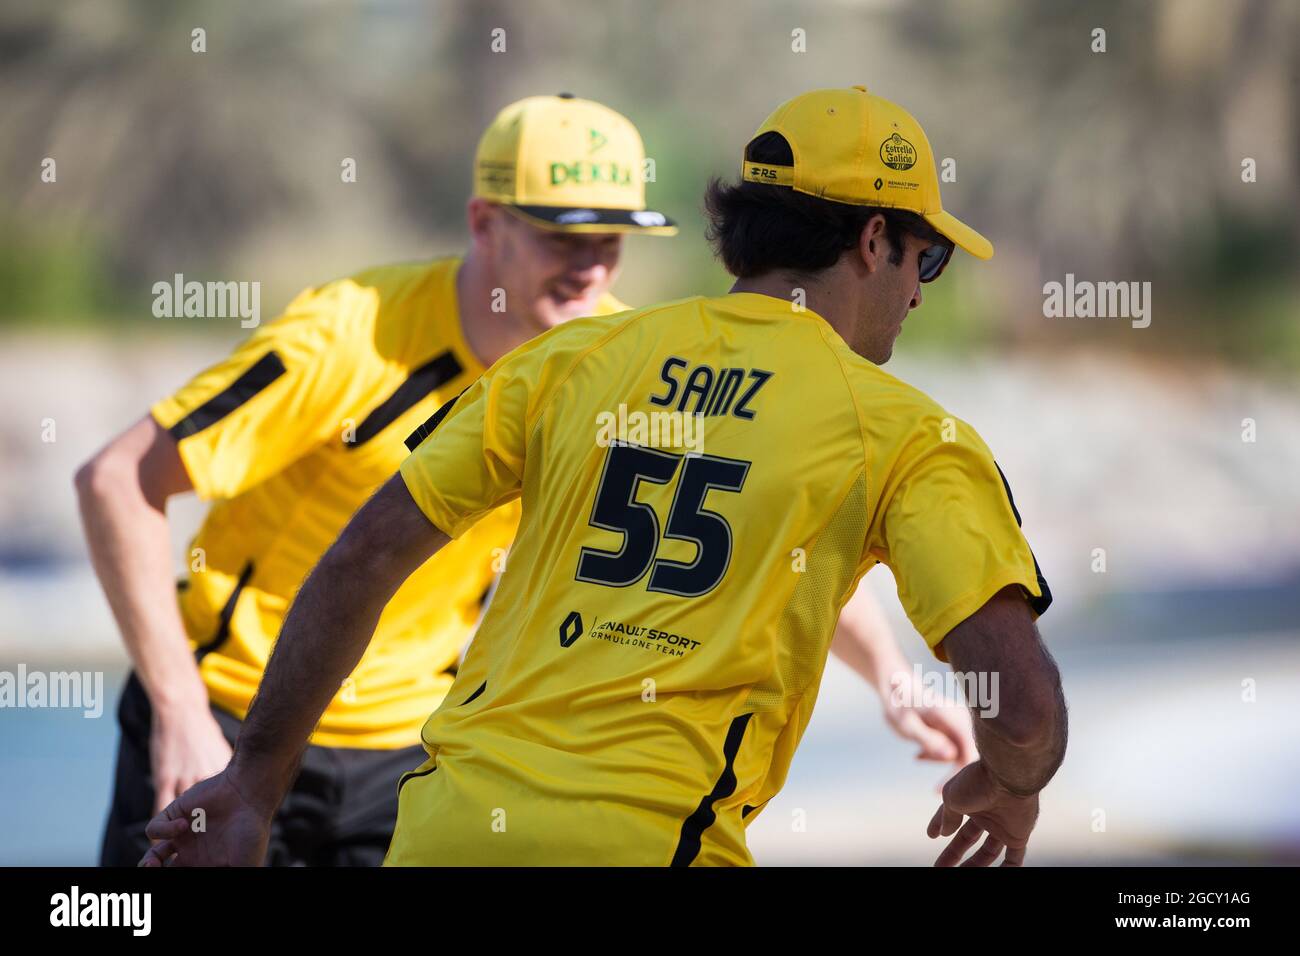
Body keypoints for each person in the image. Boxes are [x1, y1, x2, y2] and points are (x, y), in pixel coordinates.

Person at [142, 85, 1060, 868]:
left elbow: (363, 556)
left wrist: (254, 782)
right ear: (873, 242)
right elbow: (1021, 715)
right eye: (926, 257)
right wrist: (1012, 782)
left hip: (442, 834)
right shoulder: (910, 434)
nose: (919, 290)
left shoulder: (576, 358)